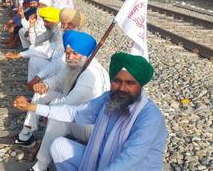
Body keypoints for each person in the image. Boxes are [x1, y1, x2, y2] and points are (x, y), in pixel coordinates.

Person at [14, 52, 167, 171]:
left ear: (140, 85)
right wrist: (32, 107)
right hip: (102, 160)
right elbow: (74, 113)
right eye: (117, 81)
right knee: (58, 146)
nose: (122, 88)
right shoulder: (108, 99)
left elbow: (130, 159)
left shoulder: (149, 117)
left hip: (132, 168)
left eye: (130, 83)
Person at [19, 31, 110, 171]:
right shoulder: (77, 62)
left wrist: (40, 108)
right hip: (77, 112)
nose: (69, 57)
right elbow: (58, 79)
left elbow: (66, 106)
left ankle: (40, 167)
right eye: (67, 53)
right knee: (41, 95)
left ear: (86, 54)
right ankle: (26, 134)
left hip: (93, 128)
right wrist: (45, 85)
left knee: (59, 119)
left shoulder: (91, 76)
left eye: (74, 53)